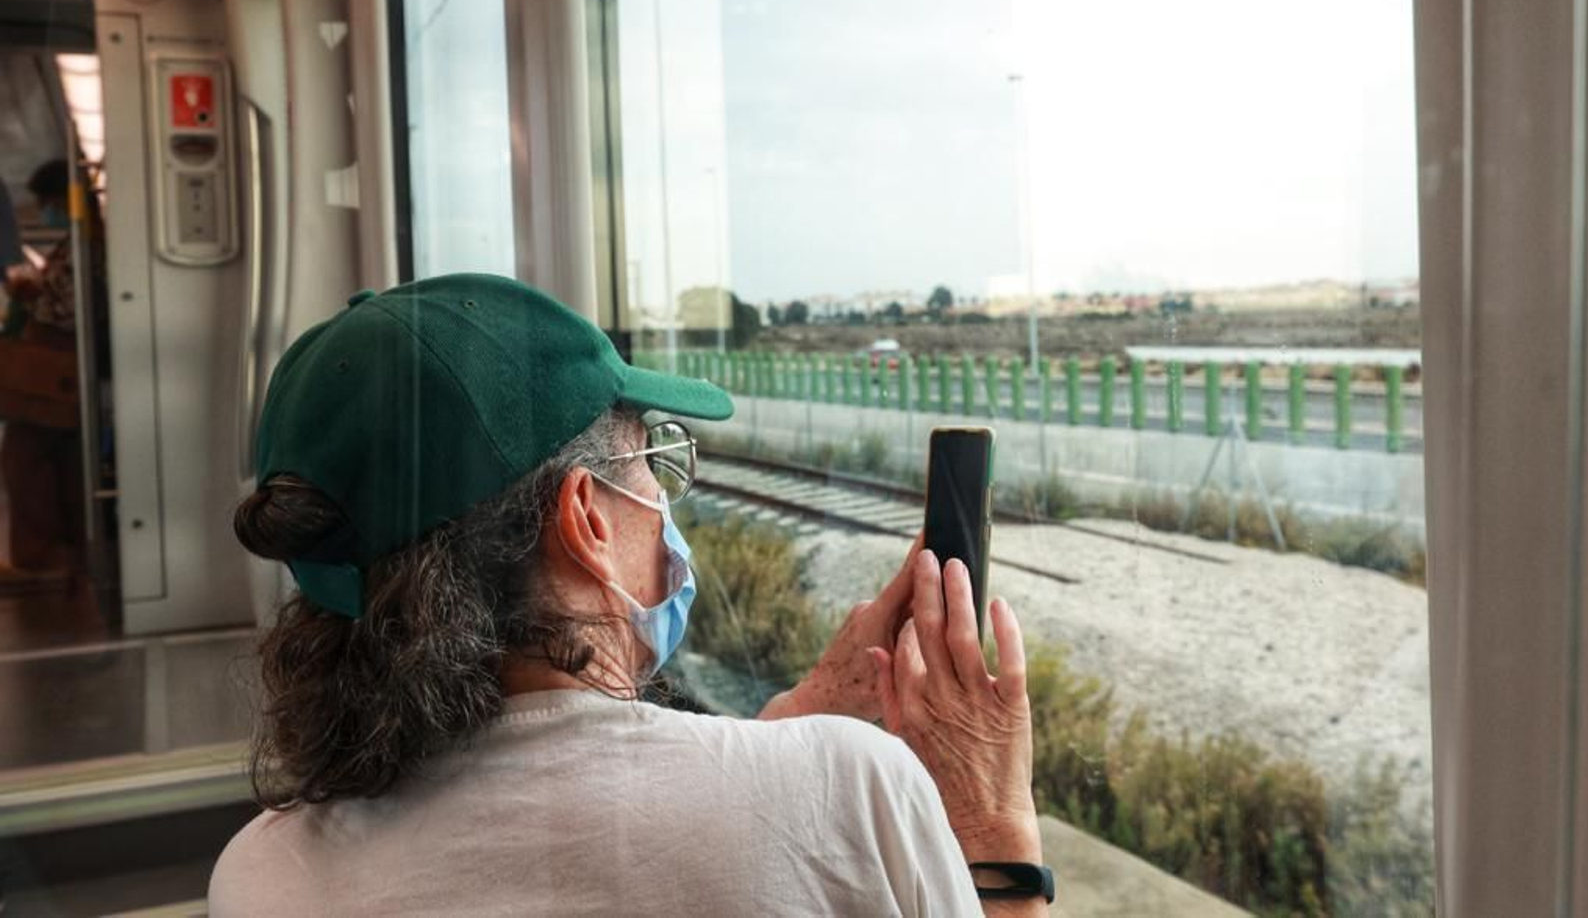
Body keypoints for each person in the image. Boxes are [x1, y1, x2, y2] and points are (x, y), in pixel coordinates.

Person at [209, 274, 1050, 916]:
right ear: (587, 522)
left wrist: (794, 720)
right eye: (653, 464)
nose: (665, 503)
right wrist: (994, 835)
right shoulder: (857, 791)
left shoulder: (260, 876)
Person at [0, 160, 90, 576]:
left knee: (24, 459)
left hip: (51, 370)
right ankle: (65, 551)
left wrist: (27, 296)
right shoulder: (81, 241)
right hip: (59, 371)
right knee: (62, 464)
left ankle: (39, 556)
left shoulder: (80, 246)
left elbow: (65, 309)